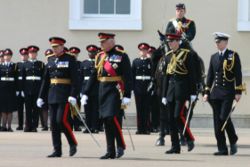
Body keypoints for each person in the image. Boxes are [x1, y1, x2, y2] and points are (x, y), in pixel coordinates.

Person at [81, 33, 133, 159]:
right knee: (105, 120)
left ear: (112, 42)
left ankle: (120, 144)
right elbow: (94, 75)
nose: (101, 44)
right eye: (101, 42)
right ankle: (110, 151)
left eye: (103, 42)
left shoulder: (122, 55)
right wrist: (85, 93)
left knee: (111, 118)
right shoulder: (100, 56)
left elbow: (128, 76)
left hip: (115, 91)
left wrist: (127, 95)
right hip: (102, 90)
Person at [37, 37, 78, 157]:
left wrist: (73, 95)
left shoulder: (70, 59)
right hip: (52, 94)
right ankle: (57, 150)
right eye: (52, 47)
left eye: (56, 47)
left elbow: (75, 79)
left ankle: (72, 143)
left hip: (64, 95)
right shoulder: (50, 60)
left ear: (62, 46)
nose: (54, 49)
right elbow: (46, 80)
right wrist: (40, 96)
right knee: (53, 124)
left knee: (61, 120)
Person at [203, 32, 243, 156]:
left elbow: (238, 74)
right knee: (217, 121)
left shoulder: (233, 55)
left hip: (228, 92)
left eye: (219, 42)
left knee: (223, 117)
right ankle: (222, 148)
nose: (217, 44)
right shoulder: (213, 57)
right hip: (215, 93)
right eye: (216, 42)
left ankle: (233, 139)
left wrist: (238, 91)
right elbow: (210, 76)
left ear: (225, 42)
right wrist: (206, 91)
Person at [161, 33, 196, 154]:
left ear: (178, 42)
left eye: (171, 41)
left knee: (178, 116)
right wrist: (164, 94)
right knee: (171, 119)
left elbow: (192, 75)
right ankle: (175, 146)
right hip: (171, 90)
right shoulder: (168, 56)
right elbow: (166, 76)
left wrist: (193, 92)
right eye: (168, 42)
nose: (169, 44)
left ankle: (189, 138)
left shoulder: (187, 54)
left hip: (182, 90)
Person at [23, 45, 45, 132]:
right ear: (28, 54)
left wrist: (42, 90)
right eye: (31, 53)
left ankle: (34, 126)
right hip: (27, 89)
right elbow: (23, 78)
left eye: (34, 53)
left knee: (36, 109)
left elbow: (43, 78)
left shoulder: (41, 64)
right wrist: (22, 90)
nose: (32, 54)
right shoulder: (25, 64)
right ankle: (28, 126)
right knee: (28, 108)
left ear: (36, 54)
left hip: (37, 89)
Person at [132, 43, 152, 135]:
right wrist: (132, 88)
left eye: (145, 50)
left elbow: (153, 73)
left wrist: (150, 59)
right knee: (139, 108)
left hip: (147, 86)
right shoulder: (136, 61)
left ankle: (147, 128)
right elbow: (132, 75)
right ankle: (140, 128)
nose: (143, 52)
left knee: (147, 108)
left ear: (147, 51)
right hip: (138, 86)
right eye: (141, 50)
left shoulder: (150, 62)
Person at [80, 44, 100, 133]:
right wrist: (81, 90)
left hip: (96, 88)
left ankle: (95, 127)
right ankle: (88, 127)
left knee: (95, 109)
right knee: (87, 109)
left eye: (93, 52)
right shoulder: (84, 63)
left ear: (96, 53)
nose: (91, 53)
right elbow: (80, 78)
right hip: (85, 88)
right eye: (90, 52)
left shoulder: (99, 63)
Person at [0, 49, 17, 132]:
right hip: (2, 90)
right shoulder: (1, 66)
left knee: (10, 109)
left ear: (11, 56)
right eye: (5, 55)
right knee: (3, 109)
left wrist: (17, 90)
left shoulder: (14, 66)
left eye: (9, 55)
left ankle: (9, 126)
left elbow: (16, 79)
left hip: (11, 90)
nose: (7, 57)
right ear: (4, 57)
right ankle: (3, 126)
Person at [69, 46, 82, 132]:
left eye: (76, 54)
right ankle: (69, 125)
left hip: (78, 88)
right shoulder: (68, 63)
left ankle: (76, 125)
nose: (74, 55)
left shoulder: (80, 64)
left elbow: (81, 77)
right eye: (72, 53)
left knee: (77, 107)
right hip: (69, 88)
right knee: (68, 108)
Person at [16, 48, 29, 130]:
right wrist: (17, 89)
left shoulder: (29, 64)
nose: (23, 56)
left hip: (27, 89)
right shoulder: (17, 65)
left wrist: (25, 89)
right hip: (19, 89)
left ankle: (27, 124)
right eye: (22, 55)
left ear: (27, 56)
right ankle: (20, 124)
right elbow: (16, 78)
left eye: (25, 55)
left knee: (27, 108)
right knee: (19, 108)